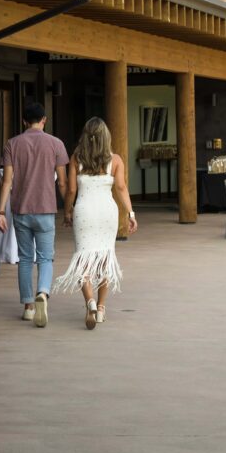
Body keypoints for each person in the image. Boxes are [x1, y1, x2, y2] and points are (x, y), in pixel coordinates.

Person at [53, 117, 137, 330]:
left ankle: (89, 302)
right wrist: (131, 213)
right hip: (107, 213)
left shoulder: (76, 158)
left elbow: (71, 190)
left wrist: (67, 212)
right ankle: (100, 309)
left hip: (85, 212)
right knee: (105, 258)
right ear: (105, 137)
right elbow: (121, 188)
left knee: (83, 259)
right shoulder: (115, 160)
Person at [0, 102, 69, 328]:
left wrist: (0, 211)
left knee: (26, 259)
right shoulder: (56, 144)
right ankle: (43, 294)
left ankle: (28, 307)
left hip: (21, 210)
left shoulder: (12, 144)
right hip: (46, 209)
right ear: (44, 120)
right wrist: (69, 209)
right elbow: (63, 183)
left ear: (24, 121)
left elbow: (7, 181)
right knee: (46, 257)